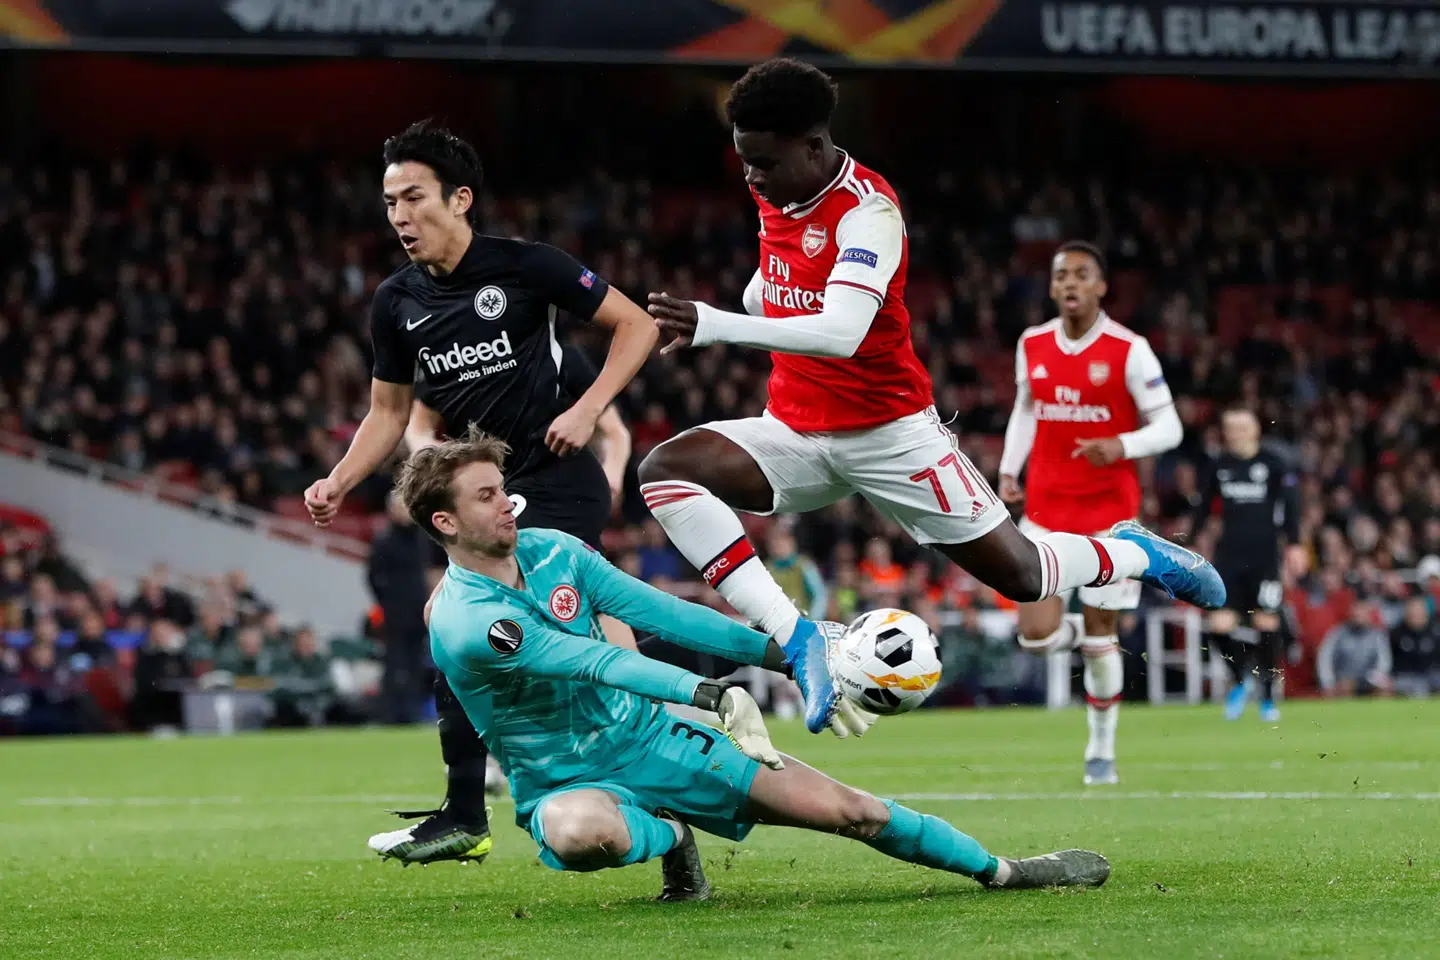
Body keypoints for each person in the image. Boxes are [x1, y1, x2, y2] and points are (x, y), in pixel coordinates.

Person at [640, 58, 1225, 738]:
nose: (751, 177)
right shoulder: (778, 193)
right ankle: (798, 639)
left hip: (891, 435)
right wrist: (754, 299)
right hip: (796, 431)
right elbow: (776, 281)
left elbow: (842, 330)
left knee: (1026, 577)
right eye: (745, 161)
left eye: (763, 162)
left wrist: (714, 323)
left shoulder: (869, 212)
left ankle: (1136, 553)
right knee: (666, 471)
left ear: (813, 146)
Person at [397, 426, 1112, 899]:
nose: (507, 506)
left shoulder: (553, 550)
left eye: (501, 488)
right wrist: (711, 694)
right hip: (561, 778)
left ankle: (1006, 870)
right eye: (486, 496)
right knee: (584, 835)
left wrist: (793, 650)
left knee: (852, 812)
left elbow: (662, 614)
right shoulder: (463, 620)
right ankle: (673, 837)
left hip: (651, 739)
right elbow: (593, 663)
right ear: (446, 523)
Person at [303, 120, 657, 867]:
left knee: (484, 618)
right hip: (488, 492)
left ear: (460, 199)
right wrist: (339, 479)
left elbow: (634, 326)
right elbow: (390, 414)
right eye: (390, 201)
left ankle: (631, 770)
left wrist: (588, 408)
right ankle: (479, 809)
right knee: (481, 627)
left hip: (557, 479)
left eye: (415, 197)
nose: (400, 215)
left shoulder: (528, 268)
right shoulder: (395, 303)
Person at [998, 240, 1185, 786]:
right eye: (1062, 276)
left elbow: (1170, 427)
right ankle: (1085, 632)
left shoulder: (1130, 349)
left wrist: (1121, 446)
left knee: (1103, 637)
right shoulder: (1032, 343)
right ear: (1052, 287)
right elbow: (1026, 409)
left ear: (1102, 286)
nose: (1071, 284)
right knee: (1034, 635)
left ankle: (1100, 751)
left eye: (1082, 274)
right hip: (1046, 513)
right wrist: (1011, 467)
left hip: (1109, 521)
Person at [1188, 406, 1300, 723]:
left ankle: (1266, 696)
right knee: (1219, 625)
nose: (1235, 433)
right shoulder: (1218, 466)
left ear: (1255, 430)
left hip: (1265, 557)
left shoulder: (1274, 465)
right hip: (1229, 557)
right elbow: (1202, 508)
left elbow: (1291, 506)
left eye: (1241, 427)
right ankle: (1241, 678)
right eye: (1230, 427)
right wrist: (1191, 540)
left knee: (1267, 623)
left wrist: (1293, 544)